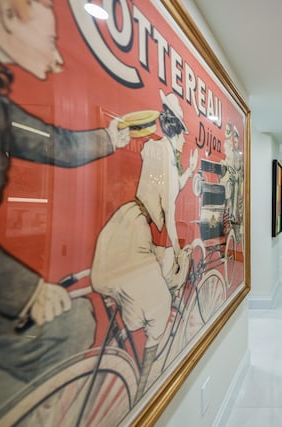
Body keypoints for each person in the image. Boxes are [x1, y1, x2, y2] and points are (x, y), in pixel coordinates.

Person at [0, 0, 130, 415]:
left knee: (77, 318)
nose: (55, 60)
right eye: (51, 41)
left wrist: (109, 137)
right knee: (71, 325)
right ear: (10, 16)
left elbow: (55, 143)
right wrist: (27, 289)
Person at [91, 89, 198, 401]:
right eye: (182, 137)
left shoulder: (161, 152)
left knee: (155, 292)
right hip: (132, 235)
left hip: (131, 229)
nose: (182, 143)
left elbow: (171, 188)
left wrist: (189, 170)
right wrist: (178, 251)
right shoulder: (162, 149)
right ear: (176, 131)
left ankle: (141, 381)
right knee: (160, 304)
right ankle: (143, 390)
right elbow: (170, 205)